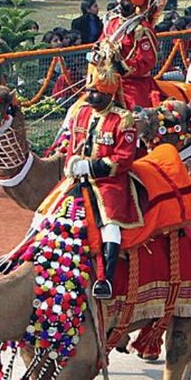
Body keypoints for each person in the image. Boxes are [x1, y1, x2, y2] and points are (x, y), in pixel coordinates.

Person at [64, 65, 142, 297]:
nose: (90, 96)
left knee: (110, 224)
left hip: (110, 182)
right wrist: (72, 164)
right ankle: (17, 257)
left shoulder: (123, 120)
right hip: (78, 178)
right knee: (47, 208)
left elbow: (123, 160)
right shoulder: (81, 113)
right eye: (88, 90)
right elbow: (72, 146)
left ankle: (105, 279)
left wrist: (90, 166)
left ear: (108, 94)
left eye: (96, 91)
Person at [96, 0, 158, 110]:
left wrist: (121, 67)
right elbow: (101, 41)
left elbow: (148, 61)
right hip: (107, 79)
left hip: (133, 83)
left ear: (135, 1)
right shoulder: (112, 22)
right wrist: (98, 51)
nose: (119, 2)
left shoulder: (142, 29)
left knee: (136, 112)